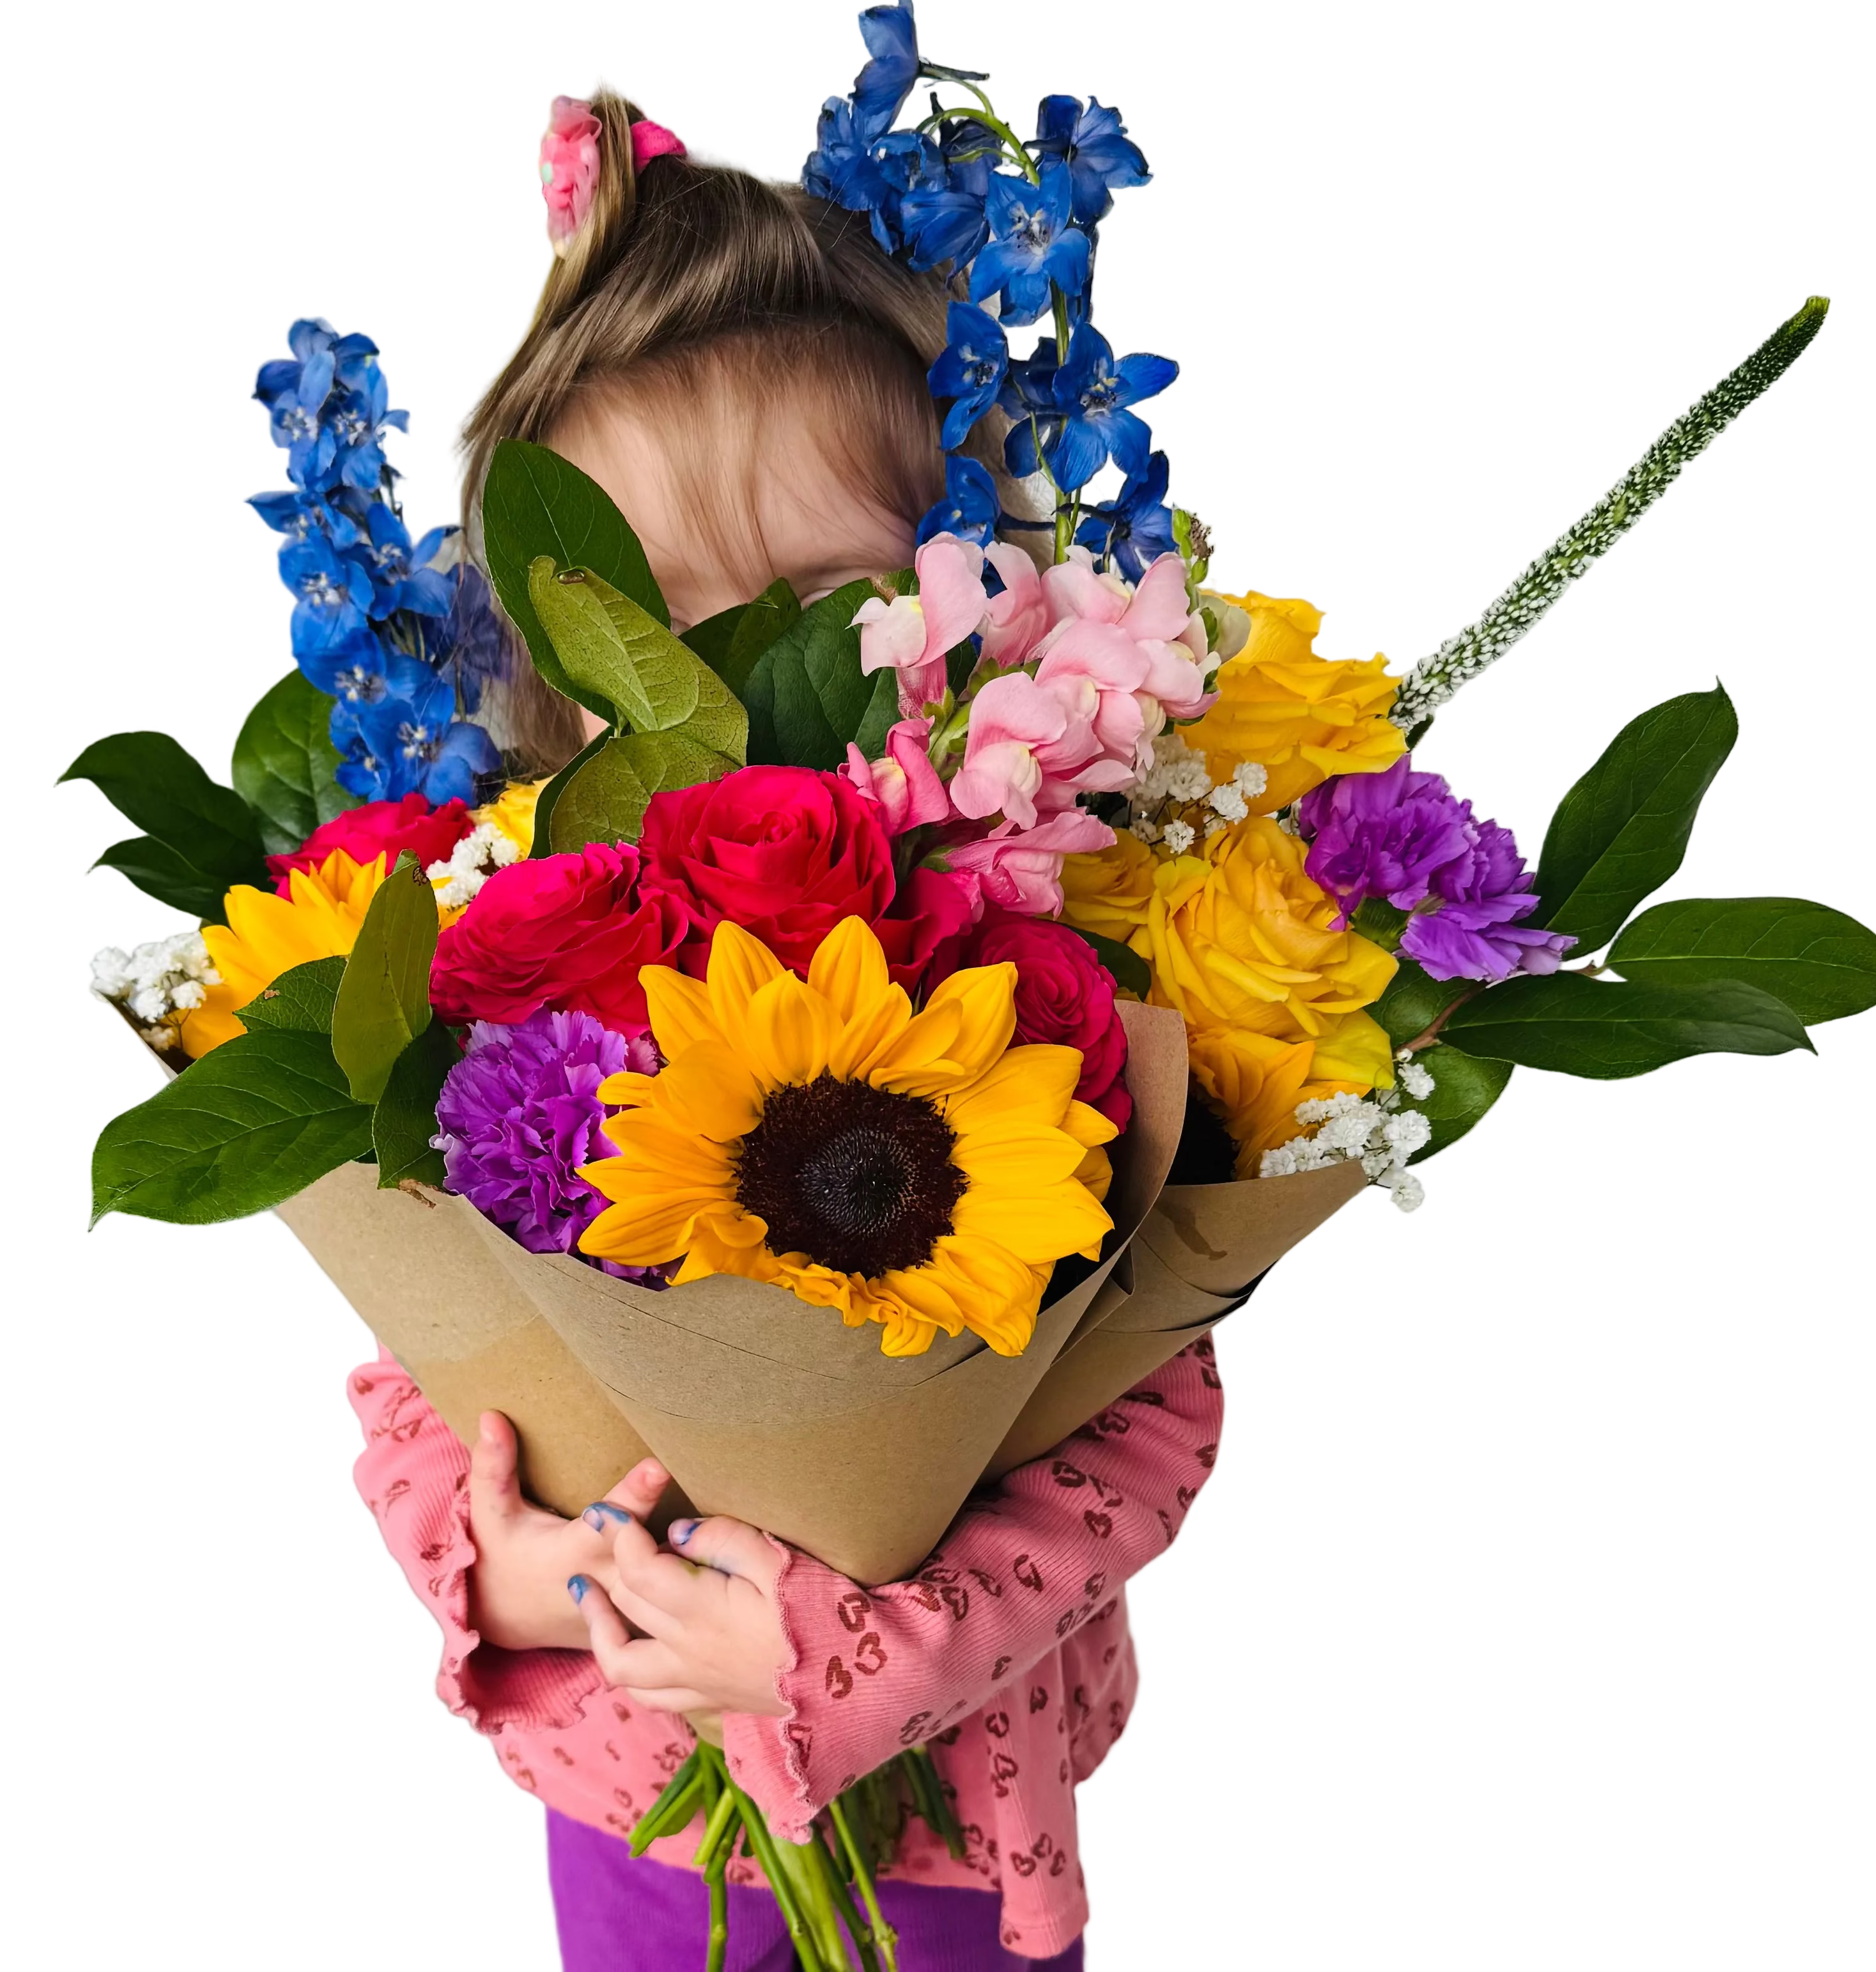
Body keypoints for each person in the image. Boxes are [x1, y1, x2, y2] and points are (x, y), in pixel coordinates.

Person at [346, 79, 1228, 1971]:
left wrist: (838, 1653)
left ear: (980, 595)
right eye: (647, 638)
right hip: (627, 1804)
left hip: (960, 1850)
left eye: (822, 611)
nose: (736, 702)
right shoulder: (516, 982)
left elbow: (1141, 1430)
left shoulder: (1033, 969)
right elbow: (414, 1373)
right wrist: (495, 1562)